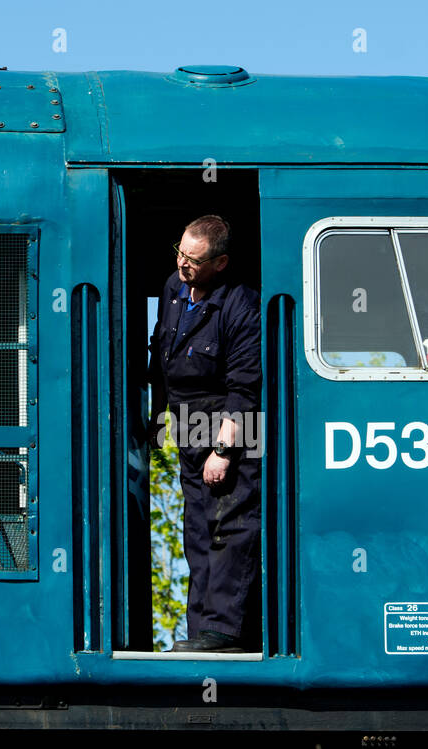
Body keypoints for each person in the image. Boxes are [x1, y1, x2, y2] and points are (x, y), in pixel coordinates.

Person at [147, 215, 262, 653]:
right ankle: (199, 632)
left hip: (227, 430)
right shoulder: (173, 290)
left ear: (221, 262)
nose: (183, 264)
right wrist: (158, 419)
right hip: (187, 426)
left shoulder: (241, 306)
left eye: (194, 259)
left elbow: (244, 387)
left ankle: (223, 632)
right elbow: (162, 364)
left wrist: (224, 450)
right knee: (196, 530)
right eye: (180, 252)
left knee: (229, 528)